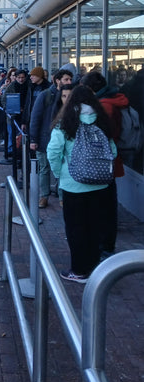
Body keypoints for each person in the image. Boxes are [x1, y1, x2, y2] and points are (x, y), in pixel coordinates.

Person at [47, 85, 117, 283]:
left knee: (76, 228)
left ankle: (79, 270)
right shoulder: (103, 121)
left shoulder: (66, 123)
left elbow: (53, 150)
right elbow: (113, 151)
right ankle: (94, 268)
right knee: (95, 227)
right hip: (101, 185)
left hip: (73, 184)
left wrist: (60, 173)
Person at [80, 70, 130, 257]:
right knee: (106, 203)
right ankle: (105, 241)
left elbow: (102, 137)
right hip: (110, 160)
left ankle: (105, 244)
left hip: (104, 162)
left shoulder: (104, 107)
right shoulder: (112, 101)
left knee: (105, 205)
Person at [29, 68, 74, 208]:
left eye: (70, 79)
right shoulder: (45, 95)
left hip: (65, 139)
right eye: (66, 79)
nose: (69, 82)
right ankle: (44, 196)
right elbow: (35, 118)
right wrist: (33, 140)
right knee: (44, 168)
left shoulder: (72, 95)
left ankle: (62, 196)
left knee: (63, 168)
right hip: (45, 138)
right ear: (57, 80)